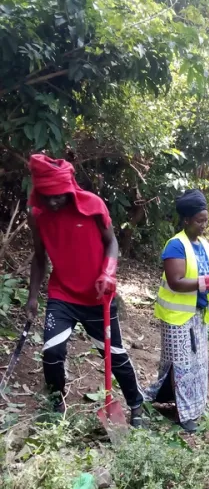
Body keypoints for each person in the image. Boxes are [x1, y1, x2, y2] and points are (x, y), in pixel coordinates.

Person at [26, 154, 143, 425]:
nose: (53, 201)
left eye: (59, 196)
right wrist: (32, 297)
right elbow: (39, 257)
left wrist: (108, 272)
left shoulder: (92, 205)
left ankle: (136, 404)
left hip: (97, 297)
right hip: (62, 294)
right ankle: (56, 402)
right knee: (52, 351)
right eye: (47, 196)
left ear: (69, 189)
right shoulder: (38, 215)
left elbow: (112, 242)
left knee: (113, 355)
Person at [143, 189, 209, 433]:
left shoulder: (205, 245)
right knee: (180, 364)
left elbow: (207, 275)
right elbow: (176, 281)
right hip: (177, 317)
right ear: (186, 220)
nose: (204, 225)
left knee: (196, 364)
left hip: (198, 314)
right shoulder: (175, 245)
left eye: (206, 220)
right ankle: (184, 413)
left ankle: (195, 407)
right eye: (199, 221)